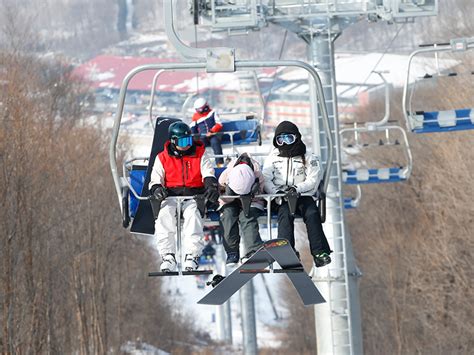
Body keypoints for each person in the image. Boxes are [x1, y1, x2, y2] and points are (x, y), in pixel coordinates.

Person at [149, 121, 220, 272]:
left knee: (193, 216)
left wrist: (211, 186)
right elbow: (156, 179)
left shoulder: (199, 154)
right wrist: (156, 189)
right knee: (164, 216)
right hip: (170, 196)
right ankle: (168, 255)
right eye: (182, 141)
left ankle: (192, 256)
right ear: (173, 141)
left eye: (188, 141)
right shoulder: (162, 157)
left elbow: (208, 172)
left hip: (193, 196)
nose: (186, 145)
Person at [262, 121, 332, 267]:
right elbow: (266, 179)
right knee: (285, 214)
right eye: (280, 140)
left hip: (303, 194)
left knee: (312, 213)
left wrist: (296, 189)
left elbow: (313, 179)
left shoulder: (308, 157)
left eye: (289, 139)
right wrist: (276, 193)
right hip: (281, 196)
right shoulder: (273, 158)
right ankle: (286, 251)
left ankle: (320, 252)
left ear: (296, 138)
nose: (285, 143)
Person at [218, 153, 264, 265]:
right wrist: (230, 196)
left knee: (247, 217)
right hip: (230, 199)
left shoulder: (257, 174)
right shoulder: (227, 174)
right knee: (228, 216)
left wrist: (252, 194)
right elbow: (221, 190)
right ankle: (232, 251)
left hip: (252, 200)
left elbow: (261, 193)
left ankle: (253, 250)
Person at [190, 97, 224, 166]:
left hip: (213, 134)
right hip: (203, 136)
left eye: (200, 109)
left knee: (215, 143)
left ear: (205, 107)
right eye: (197, 109)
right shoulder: (195, 116)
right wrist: (194, 136)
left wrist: (211, 131)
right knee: (199, 147)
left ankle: (219, 163)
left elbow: (219, 124)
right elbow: (193, 128)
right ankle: (198, 164)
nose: (199, 111)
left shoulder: (213, 113)